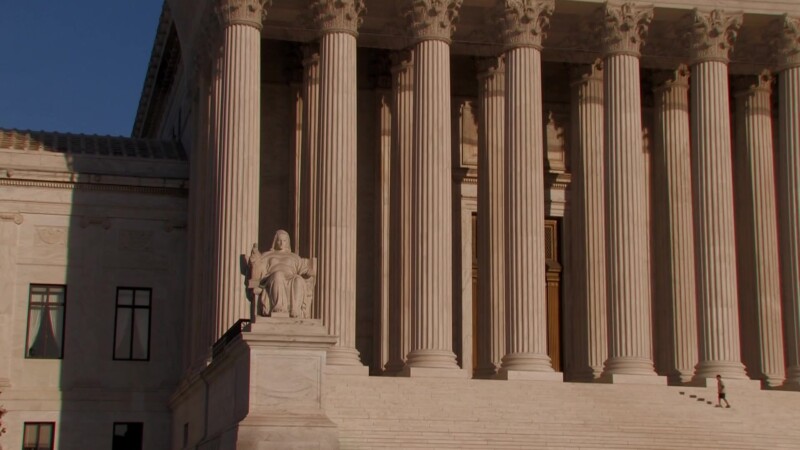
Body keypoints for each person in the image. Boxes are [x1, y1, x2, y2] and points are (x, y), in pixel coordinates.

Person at [248, 230, 316, 318]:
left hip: (291, 277)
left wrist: (308, 272)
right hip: (272, 277)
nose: (281, 243)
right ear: (275, 241)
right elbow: (258, 267)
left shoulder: (294, 257)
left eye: (284, 241)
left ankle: (295, 309)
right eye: (279, 240)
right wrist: (255, 258)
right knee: (278, 275)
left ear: (287, 242)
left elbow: (302, 269)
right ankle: (278, 306)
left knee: (298, 279)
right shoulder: (267, 255)